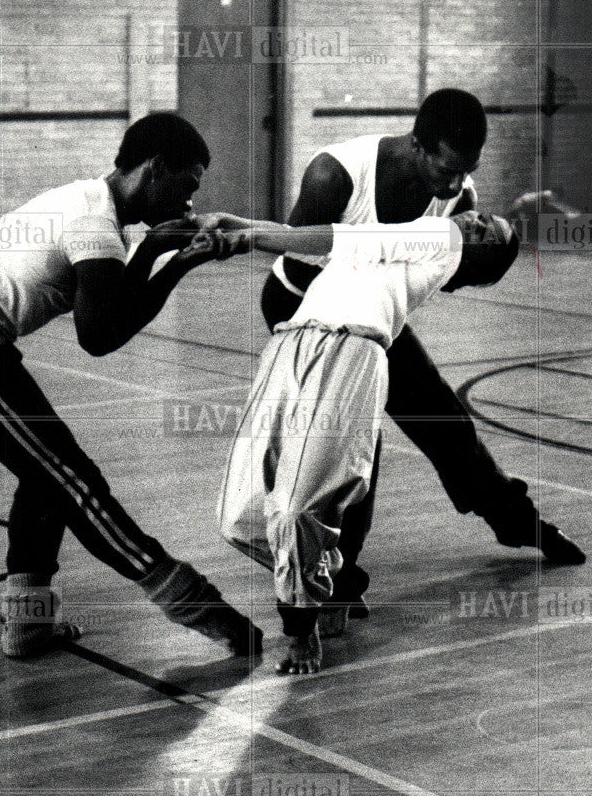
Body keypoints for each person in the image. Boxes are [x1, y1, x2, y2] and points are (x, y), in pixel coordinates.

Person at [0, 112, 262, 659]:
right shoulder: (95, 223)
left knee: (44, 474)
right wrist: (176, 261)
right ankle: (193, 602)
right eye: (185, 186)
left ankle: (27, 625)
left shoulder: (95, 205)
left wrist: (163, 247)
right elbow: (101, 336)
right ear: (154, 168)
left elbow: (113, 307)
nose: (189, 203)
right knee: (73, 481)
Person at [259, 89, 585, 632]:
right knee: (356, 445)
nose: (456, 186)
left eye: (466, 174)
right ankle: (333, 578)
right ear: (416, 144)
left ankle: (516, 520)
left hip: (375, 317)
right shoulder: (335, 174)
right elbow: (304, 251)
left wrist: (495, 249)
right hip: (305, 311)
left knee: (445, 422)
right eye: (447, 170)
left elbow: (441, 272)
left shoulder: (459, 197)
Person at [216, 210, 521, 673]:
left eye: (487, 234)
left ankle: (300, 631)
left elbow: (335, 237)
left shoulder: (442, 237)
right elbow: (316, 242)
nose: (476, 220)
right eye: (483, 217)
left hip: (349, 352)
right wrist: (237, 222)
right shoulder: (406, 244)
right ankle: (326, 580)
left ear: (475, 262)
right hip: (290, 344)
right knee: (240, 518)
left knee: (297, 509)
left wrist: (247, 237)